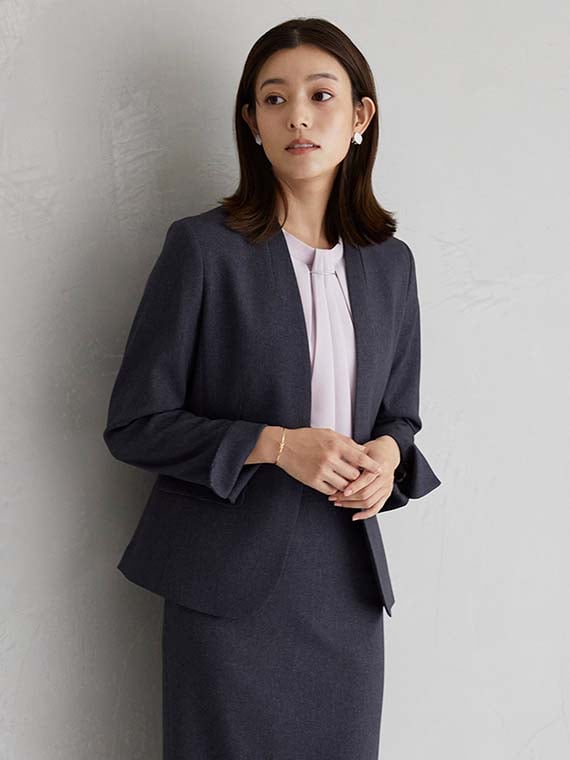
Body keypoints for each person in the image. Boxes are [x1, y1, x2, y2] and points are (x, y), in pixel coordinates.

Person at [103, 16, 442, 760]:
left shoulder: (391, 264)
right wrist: (276, 446)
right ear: (252, 122)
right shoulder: (202, 249)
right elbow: (135, 422)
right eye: (274, 99)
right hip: (226, 586)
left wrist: (388, 455)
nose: (298, 117)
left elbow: (401, 415)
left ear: (360, 116)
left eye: (321, 95)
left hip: (343, 582)